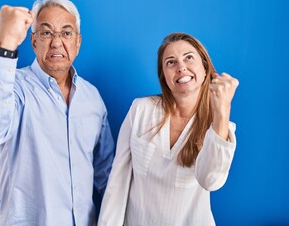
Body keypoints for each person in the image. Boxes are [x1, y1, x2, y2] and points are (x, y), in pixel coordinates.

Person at [0, 0, 115, 226]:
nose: (57, 42)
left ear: (78, 42)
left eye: (66, 33)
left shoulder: (92, 97)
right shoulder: (12, 87)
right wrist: (6, 43)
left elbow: (106, 174)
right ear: (33, 41)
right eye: (46, 33)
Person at [98, 32, 239, 226]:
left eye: (189, 57)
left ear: (206, 68)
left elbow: (211, 181)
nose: (181, 67)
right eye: (171, 62)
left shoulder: (219, 127)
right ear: (164, 76)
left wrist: (222, 110)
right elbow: (117, 180)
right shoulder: (141, 109)